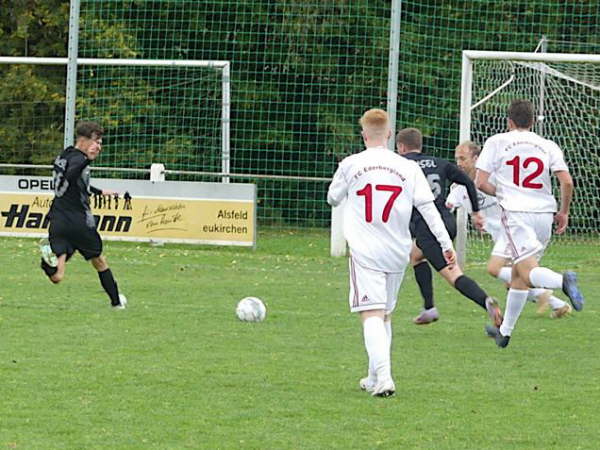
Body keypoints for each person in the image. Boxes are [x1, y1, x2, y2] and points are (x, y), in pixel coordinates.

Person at [327, 109, 455, 397]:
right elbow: (428, 210)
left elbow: (332, 197)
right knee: (384, 314)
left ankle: (385, 378)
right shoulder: (408, 168)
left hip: (365, 250)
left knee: (371, 313)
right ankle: (374, 376)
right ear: (387, 134)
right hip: (397, 250)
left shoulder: (351, 164)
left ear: (363, 135)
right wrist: (446, 245)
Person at [475, 99, 584, 348]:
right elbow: (566, 182)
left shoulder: (497, 141)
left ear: (509, 121)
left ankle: (561, 282)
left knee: (525, 271)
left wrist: (502, 193)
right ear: (533, 122)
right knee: (518, 276)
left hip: (517, 214)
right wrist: (564, 212)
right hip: (544, 214)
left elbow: (480, 182)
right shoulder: (547, 145)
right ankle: (505, 333)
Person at [447, 140, 571, 318]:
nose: (458, 163)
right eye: (456, 159)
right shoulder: (459, 187)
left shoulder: (498, 178)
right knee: (514, 279)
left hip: (516, 230)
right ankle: (556, 302)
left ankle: (558, 287)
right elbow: (447, 207)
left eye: (462, 158)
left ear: (476, 158)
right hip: (503, 238)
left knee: (507, 275)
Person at [395, 128, 502, 327]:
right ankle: (429, 308)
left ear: (401, 147)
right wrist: (477, 212)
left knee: (454, 275)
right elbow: (470, 183)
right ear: (420, 146)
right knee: (416, 256)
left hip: (429, 228)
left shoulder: (399, 166)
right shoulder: (439, 163)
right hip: (446, 222)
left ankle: (486, 302)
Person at [39, 121, 127, 309]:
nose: (98, 147)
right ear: (84, 140)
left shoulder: (64, 155)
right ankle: (117, 303)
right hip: (79, 223)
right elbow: (72, 175)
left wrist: (100, 191)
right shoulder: (80, 160)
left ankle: (46, 258)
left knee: (57, 277)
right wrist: (87, 161)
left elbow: (72, 182)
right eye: (96, 142)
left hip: (58, 219)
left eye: (100, 143)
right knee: (100, 261)